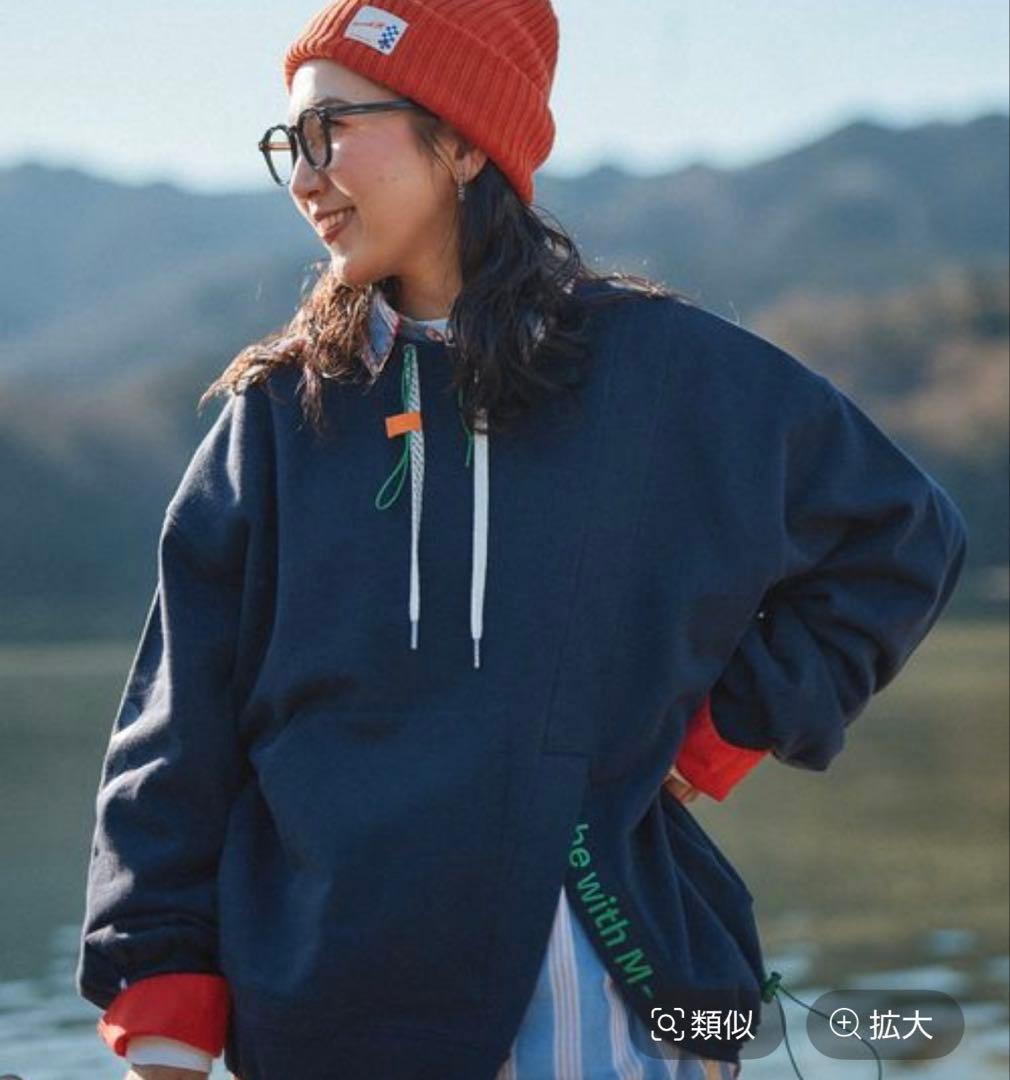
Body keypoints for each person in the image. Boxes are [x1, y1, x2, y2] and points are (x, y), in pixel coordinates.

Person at [74, 1, 969, 1078]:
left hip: (625, 1005)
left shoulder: (658, 370)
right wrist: (161, 998)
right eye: (286, 144)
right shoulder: (278, 419)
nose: (303, 177)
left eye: (331, 130)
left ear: (460, 142)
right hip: (331, 1011)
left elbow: (895, 536)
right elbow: (180, 728)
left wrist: (721, 733)